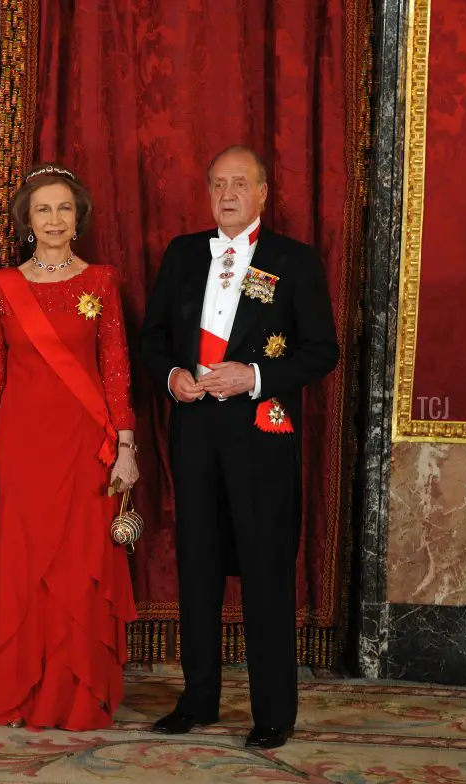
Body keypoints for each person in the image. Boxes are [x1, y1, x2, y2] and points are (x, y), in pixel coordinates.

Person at [140, 146, 338, 749]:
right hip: (195, 430)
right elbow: (150, 338)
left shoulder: (294, 261)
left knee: (263, 571)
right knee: (197, 566)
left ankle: (272, 712)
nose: (227, 194)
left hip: (260, 435)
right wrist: (171, 376)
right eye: (217, 184)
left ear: (262, 193)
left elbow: (320, 351)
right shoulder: (181, 254)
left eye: (239, 184)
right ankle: (198, 699)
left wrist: (252, 377)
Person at [0, 164, 139, 731]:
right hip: (22, 444)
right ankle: (16, 691)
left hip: (86, 444)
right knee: (22, 565)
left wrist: (127, 446)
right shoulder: (1, 285)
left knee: (75, 567)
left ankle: (75, 694)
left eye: (64, 208)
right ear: (26, 220)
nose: (55, 219)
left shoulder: (102, 281)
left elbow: (116, 371)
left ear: (78, 216)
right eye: (43, 209)